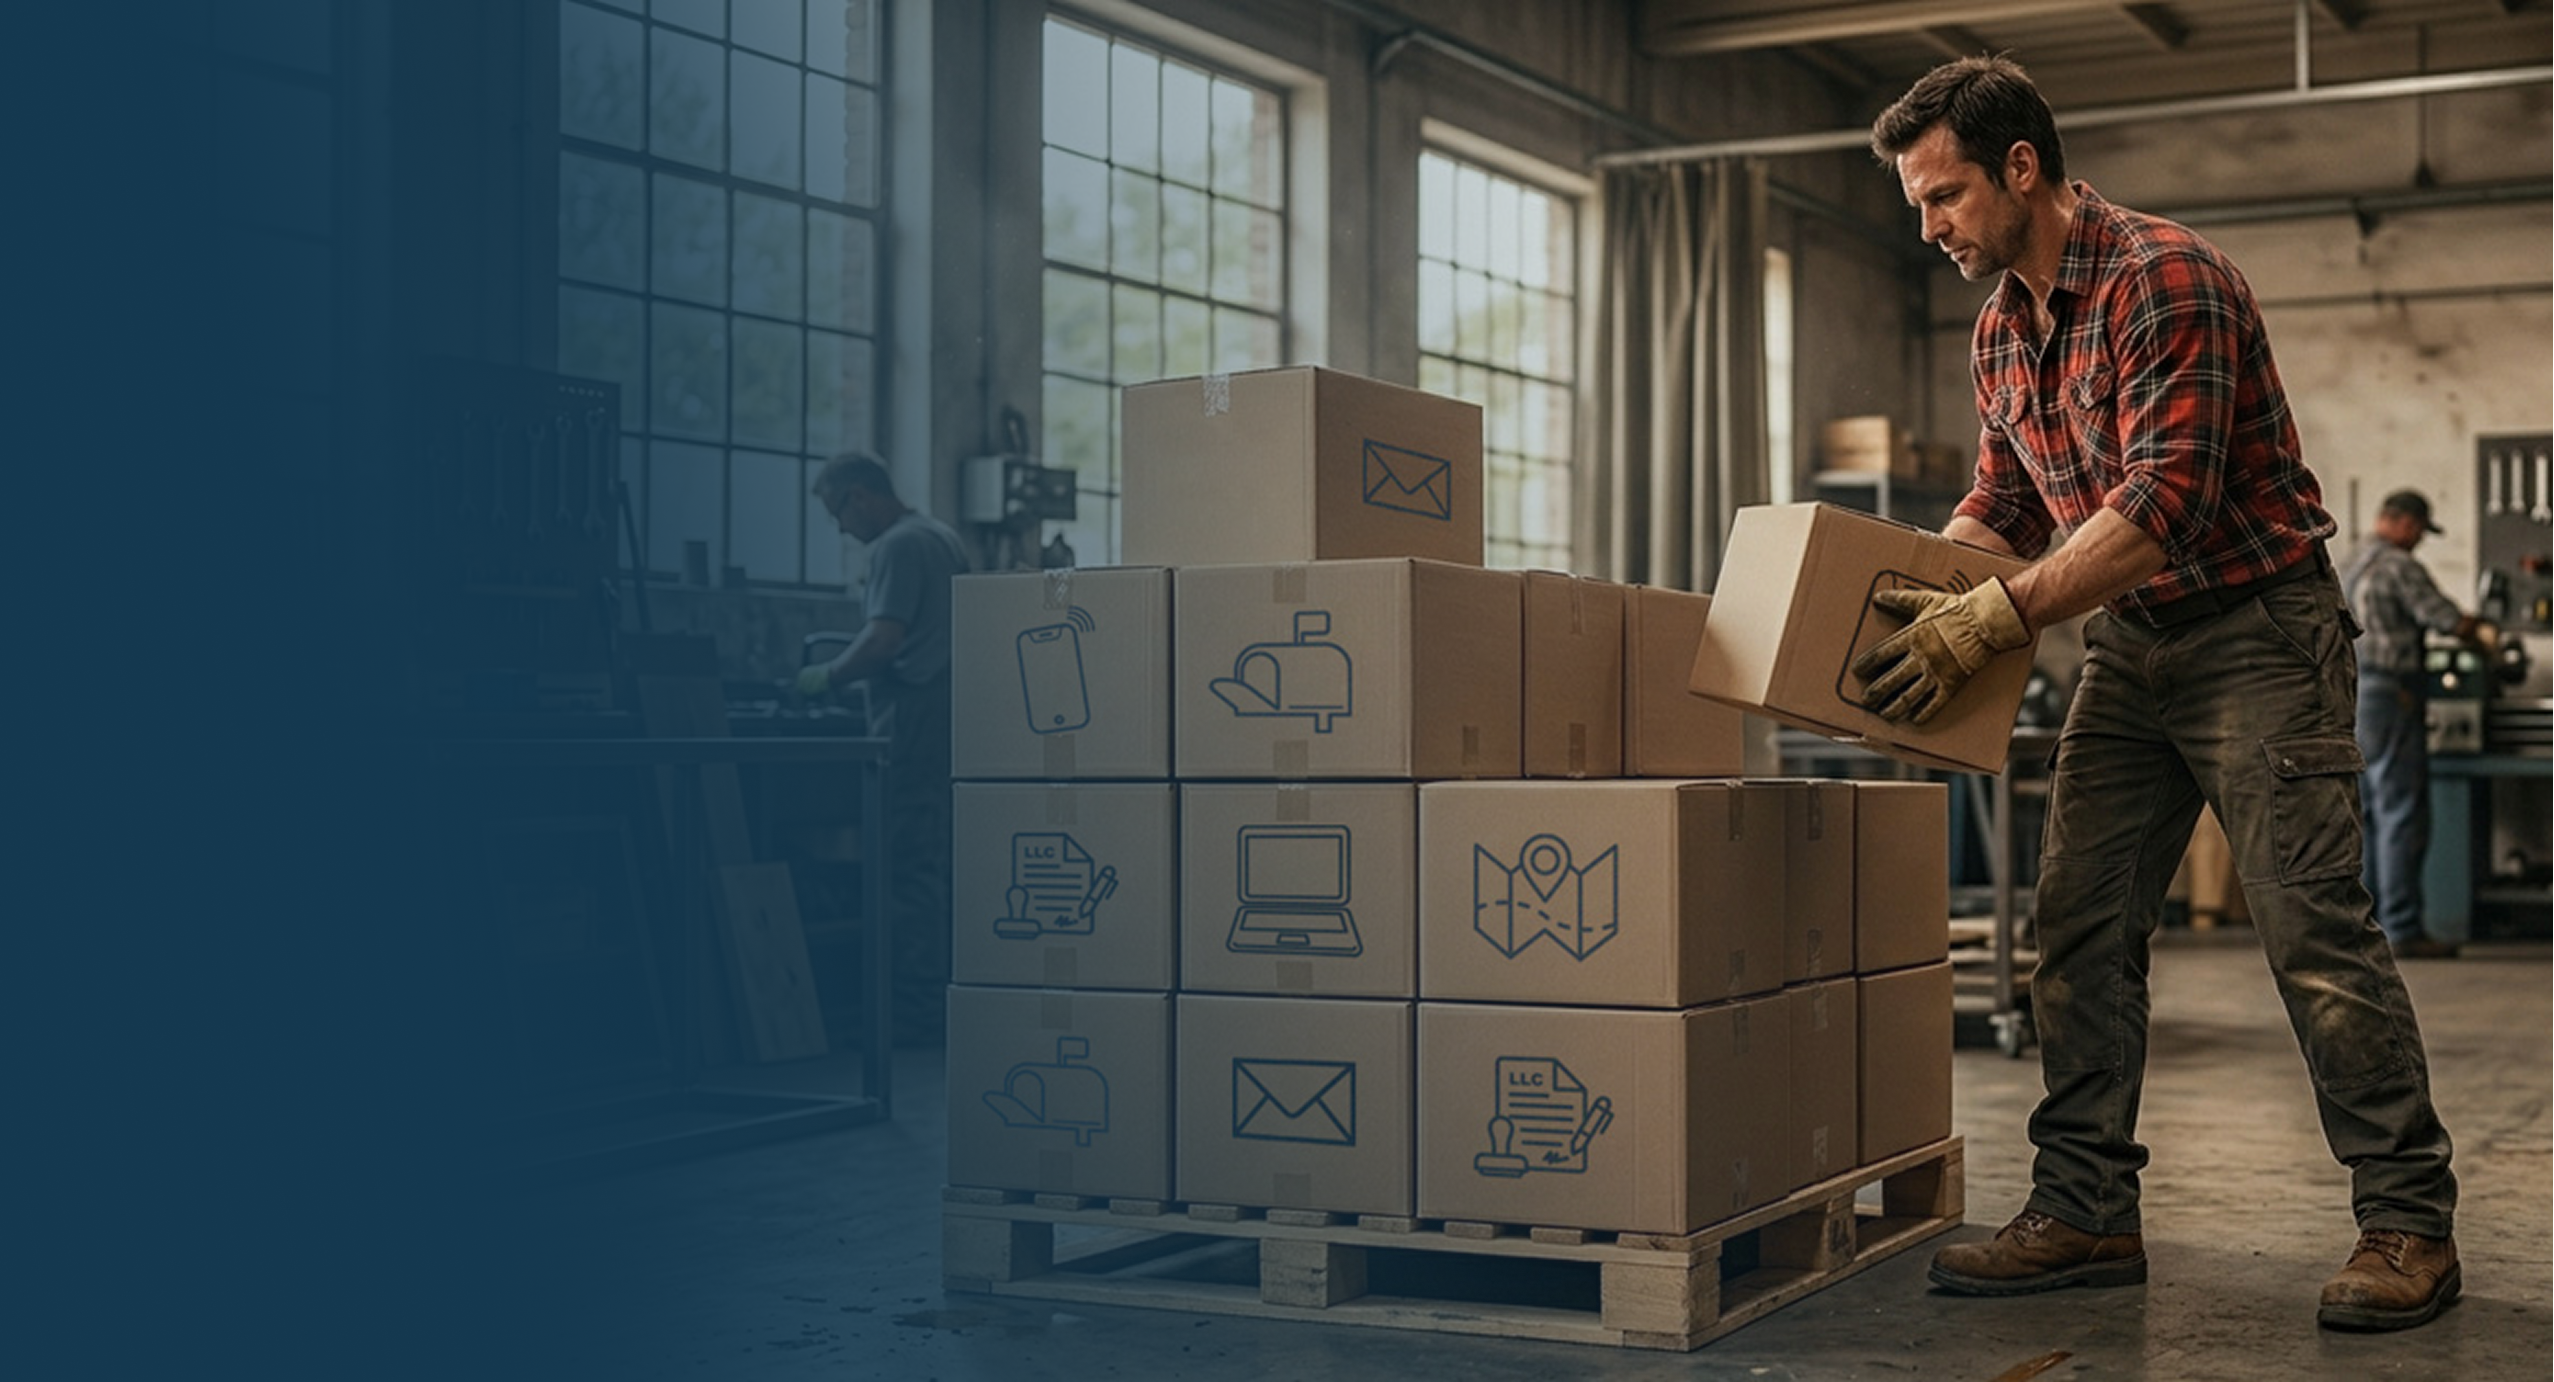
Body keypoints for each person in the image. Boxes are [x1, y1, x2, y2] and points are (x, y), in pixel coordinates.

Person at [1856, 56, 2460, 1332]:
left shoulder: (2164, 280)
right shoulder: (1998, 324)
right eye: (1918, 205)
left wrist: (2001, 613)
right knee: (2074, 925)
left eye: (1946, 196)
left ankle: (2406, 1219)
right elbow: (2005, 501)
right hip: (2132, 648)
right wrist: (1926, 578)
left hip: (2256, 629)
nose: (1932, 228)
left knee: (2312, 934)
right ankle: (2083, 1208)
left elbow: (2161, 506)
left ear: (2022, 167)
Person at [798, 452, 971, 1045]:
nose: (840, 528)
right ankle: (937, 997)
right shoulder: (942, 536)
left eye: (836, 513)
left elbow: (882, 639)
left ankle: (917, 1014)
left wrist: (826, 676)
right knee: (934, 864)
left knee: (908, 867)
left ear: (860, 497)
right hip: (950, 714)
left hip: (914, 717)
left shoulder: (897, 546)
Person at [2343, 489, 2485, 961]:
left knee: (2370, 812)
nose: (2420, 540)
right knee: (2402, 809)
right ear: (2403, 522)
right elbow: (2442, 618)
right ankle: (2402, 926)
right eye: (2421, 530)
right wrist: (2484, 635)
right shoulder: (2400, 566)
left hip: (2355, 694)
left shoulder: (2351, 561)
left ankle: (2371, 926)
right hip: (2394, 693)